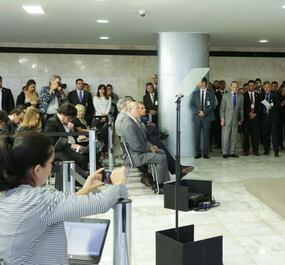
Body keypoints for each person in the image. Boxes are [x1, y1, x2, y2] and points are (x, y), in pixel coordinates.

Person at [0, 131, 127, 265]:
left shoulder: (7, 195)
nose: (51, 168)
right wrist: (119, 183)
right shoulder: (38, 200)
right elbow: (101, 203)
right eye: (50, 163)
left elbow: (52, 210)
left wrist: (85, 189)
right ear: (37, 170)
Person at [120, 101, 170, 193]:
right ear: (130, 110)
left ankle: (157, 181)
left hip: (139, 152)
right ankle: (159, 186)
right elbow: (136, 146)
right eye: (137, 108)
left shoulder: (134, 121)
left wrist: (151, 146)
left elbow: (144, 140)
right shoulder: (128, 124)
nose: (140, 110)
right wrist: (150, 149)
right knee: (160, 158)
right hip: (135, 156)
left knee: (162, 152)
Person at [190, 77, 215, 159]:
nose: (198, 83)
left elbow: (212, 105)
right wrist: (198, 112)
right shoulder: (195, 93)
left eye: (199, 81)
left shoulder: (211, 93)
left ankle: (206, 153)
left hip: (207, 117)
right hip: (197, 117)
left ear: (204, 83)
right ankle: (197, 152)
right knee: (196, 135)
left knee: (206, 135)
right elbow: (191, 105)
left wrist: (204, 112)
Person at [220, 81, 244, 158]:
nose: (235, 88)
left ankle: (232, 152)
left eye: (236, 87)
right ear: (230, 87)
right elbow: (222, 109)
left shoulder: (241, 97)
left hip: (235, 119)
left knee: (234, 137)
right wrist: (222, 119)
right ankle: (225, 152)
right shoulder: (225, 96)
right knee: (226, 136)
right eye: (233, 86)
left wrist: (241, 118)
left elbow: (241, 109)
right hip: (226, 119)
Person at [261, 81, 281, 156]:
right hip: (265, 117)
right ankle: (266, 150)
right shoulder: (261, 95)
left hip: (273, 118)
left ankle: (276, 151)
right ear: (263, 88)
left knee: (274, 135)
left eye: (268, 87)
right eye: (265, 87)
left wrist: (271, 108)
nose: (266, 88)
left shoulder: (275, 95)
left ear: (270, 87)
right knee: (265, 134)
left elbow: (278, 106)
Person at [243, 80, 261, 156]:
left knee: (255, 135)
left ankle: (255, 150)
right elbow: (243, 107)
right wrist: (249, 113)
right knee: (246, 135)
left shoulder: (258, 95)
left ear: (255, 86)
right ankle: (246, 151)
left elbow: (260, 106)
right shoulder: (244, 95)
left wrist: (255, 114)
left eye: (253, 85)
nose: (251, 87)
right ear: (247, 86)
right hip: (247, 118)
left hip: (255, 118)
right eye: (250, 85)